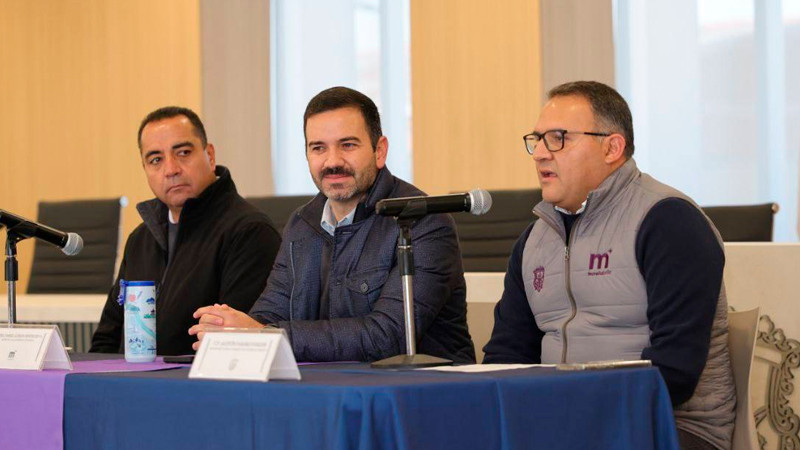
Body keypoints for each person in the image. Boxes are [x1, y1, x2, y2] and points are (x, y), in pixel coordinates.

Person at [483, 81, 735, 450]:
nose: (539, 153)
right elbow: (506, 356)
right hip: (563, 424)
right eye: (536, 139)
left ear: (611, 147)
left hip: (673, 427)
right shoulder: (533, 241)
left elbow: (674, 373)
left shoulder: (669, 222)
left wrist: (570, 414)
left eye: (557, 138)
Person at [190, 87, 475, 363]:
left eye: (348, 145)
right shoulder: (301, 224)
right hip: (328, 392)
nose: (332, 161)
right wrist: (230, 329)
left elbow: (387, 337)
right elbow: (269, 316)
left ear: (380, 150)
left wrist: (265, 335)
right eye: (318, 148)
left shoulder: (423, 221)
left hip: (422, 397)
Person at [90, 106, 281, 356]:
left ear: (210, 156)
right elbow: (108, 337)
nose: (171, 169)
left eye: (183, 153)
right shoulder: (141, 238)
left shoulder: (250, 232)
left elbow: (237, 347)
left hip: (199, 388)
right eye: (156, 160)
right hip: (133, 385)